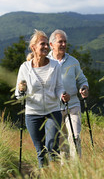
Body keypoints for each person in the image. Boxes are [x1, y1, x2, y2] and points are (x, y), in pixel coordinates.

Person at [15, 29, 70, 168]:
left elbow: (59, 87)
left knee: (52, 147)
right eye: (42, 44)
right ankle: (45, 174)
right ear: (33, 47)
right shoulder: (25, 68)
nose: (46, 47)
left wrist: (63, 94)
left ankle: (56, 175)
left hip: (53, 110)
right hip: (33, 113)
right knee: (41, 151)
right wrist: (21, 90)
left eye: (47, 44)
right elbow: (18, 94)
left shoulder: (55, 65)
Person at [48, 29, 89, 159]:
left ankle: (78, 169)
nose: (64, 45)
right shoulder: (45, 62)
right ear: (51, 44)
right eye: (60, 42)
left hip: (73, 105)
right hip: (54, 108)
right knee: (61, 142)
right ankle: (65, 170)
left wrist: (84, 88)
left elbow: (82, 80)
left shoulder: (73, 61)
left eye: (65, 42)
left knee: (75, 137)